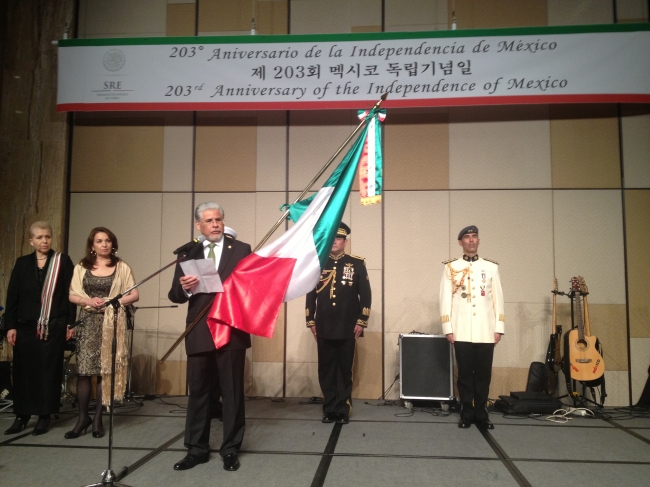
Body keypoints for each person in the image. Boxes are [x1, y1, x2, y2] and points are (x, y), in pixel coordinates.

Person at [168, 202, 251, 472]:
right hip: (200, 328)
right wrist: (184, 288)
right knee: (199, 392)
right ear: (199, 225)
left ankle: (230, 449)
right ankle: (196, 449)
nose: (215, 224)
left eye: (218, 219)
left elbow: (251, 287)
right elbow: (175, 296)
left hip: (231, 328)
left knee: (232, 391)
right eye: (209, 220)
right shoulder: (187, 253)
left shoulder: (241, 249)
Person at [4, 222, 77, 436]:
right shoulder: (22, 263)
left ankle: (44, 415)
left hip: (53, 325)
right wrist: (10, 326)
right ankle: (22, 415)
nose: (44, 241)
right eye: (39, 237)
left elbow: (70, 295)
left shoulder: (62, 261)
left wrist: (71, 322)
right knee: (23, 371)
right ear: (31, 241)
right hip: (25, 326)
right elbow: (12, 297)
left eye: (47, 237)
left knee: (48, 371)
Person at [67, 227, 139, 438]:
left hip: (112, 323)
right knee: (84, 371)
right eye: (99, 241)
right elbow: (72, 294)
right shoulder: (82, 266)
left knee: (104, 372)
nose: (104, 244)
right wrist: (87, 301)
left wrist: (111, 302)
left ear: (113, 244)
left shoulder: (121, 266)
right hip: (88, 323)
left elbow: (134, 294)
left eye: (108, 240)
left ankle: (98, 419)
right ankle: (83, 418)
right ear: (92, 245)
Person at [439, 225, 505, 430]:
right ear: (460, 242)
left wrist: (499, 327)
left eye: (474, 237)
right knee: (466, 375)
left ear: (478, 241)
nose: (471, 240)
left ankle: (482, 414)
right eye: (467, 237)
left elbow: (498, 298)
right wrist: (448, 327)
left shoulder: (491, 267)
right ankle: (467, 412)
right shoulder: (451, 266)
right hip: (461, 329)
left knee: (484, 375)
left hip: (485, 329)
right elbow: (444, 298)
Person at [305, 222, 371, 424]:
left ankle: (342, 408)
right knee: (326, 369)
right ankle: (329, 408)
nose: (335, 241)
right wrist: (311, 319)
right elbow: (310, 294)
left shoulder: (356, 263)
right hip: (324, 325)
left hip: (348, 326)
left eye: (339, 238)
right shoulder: (318, 263)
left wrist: (362, 321)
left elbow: (366, 295)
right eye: (332, 237)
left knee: (343, 369)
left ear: (345, 241)